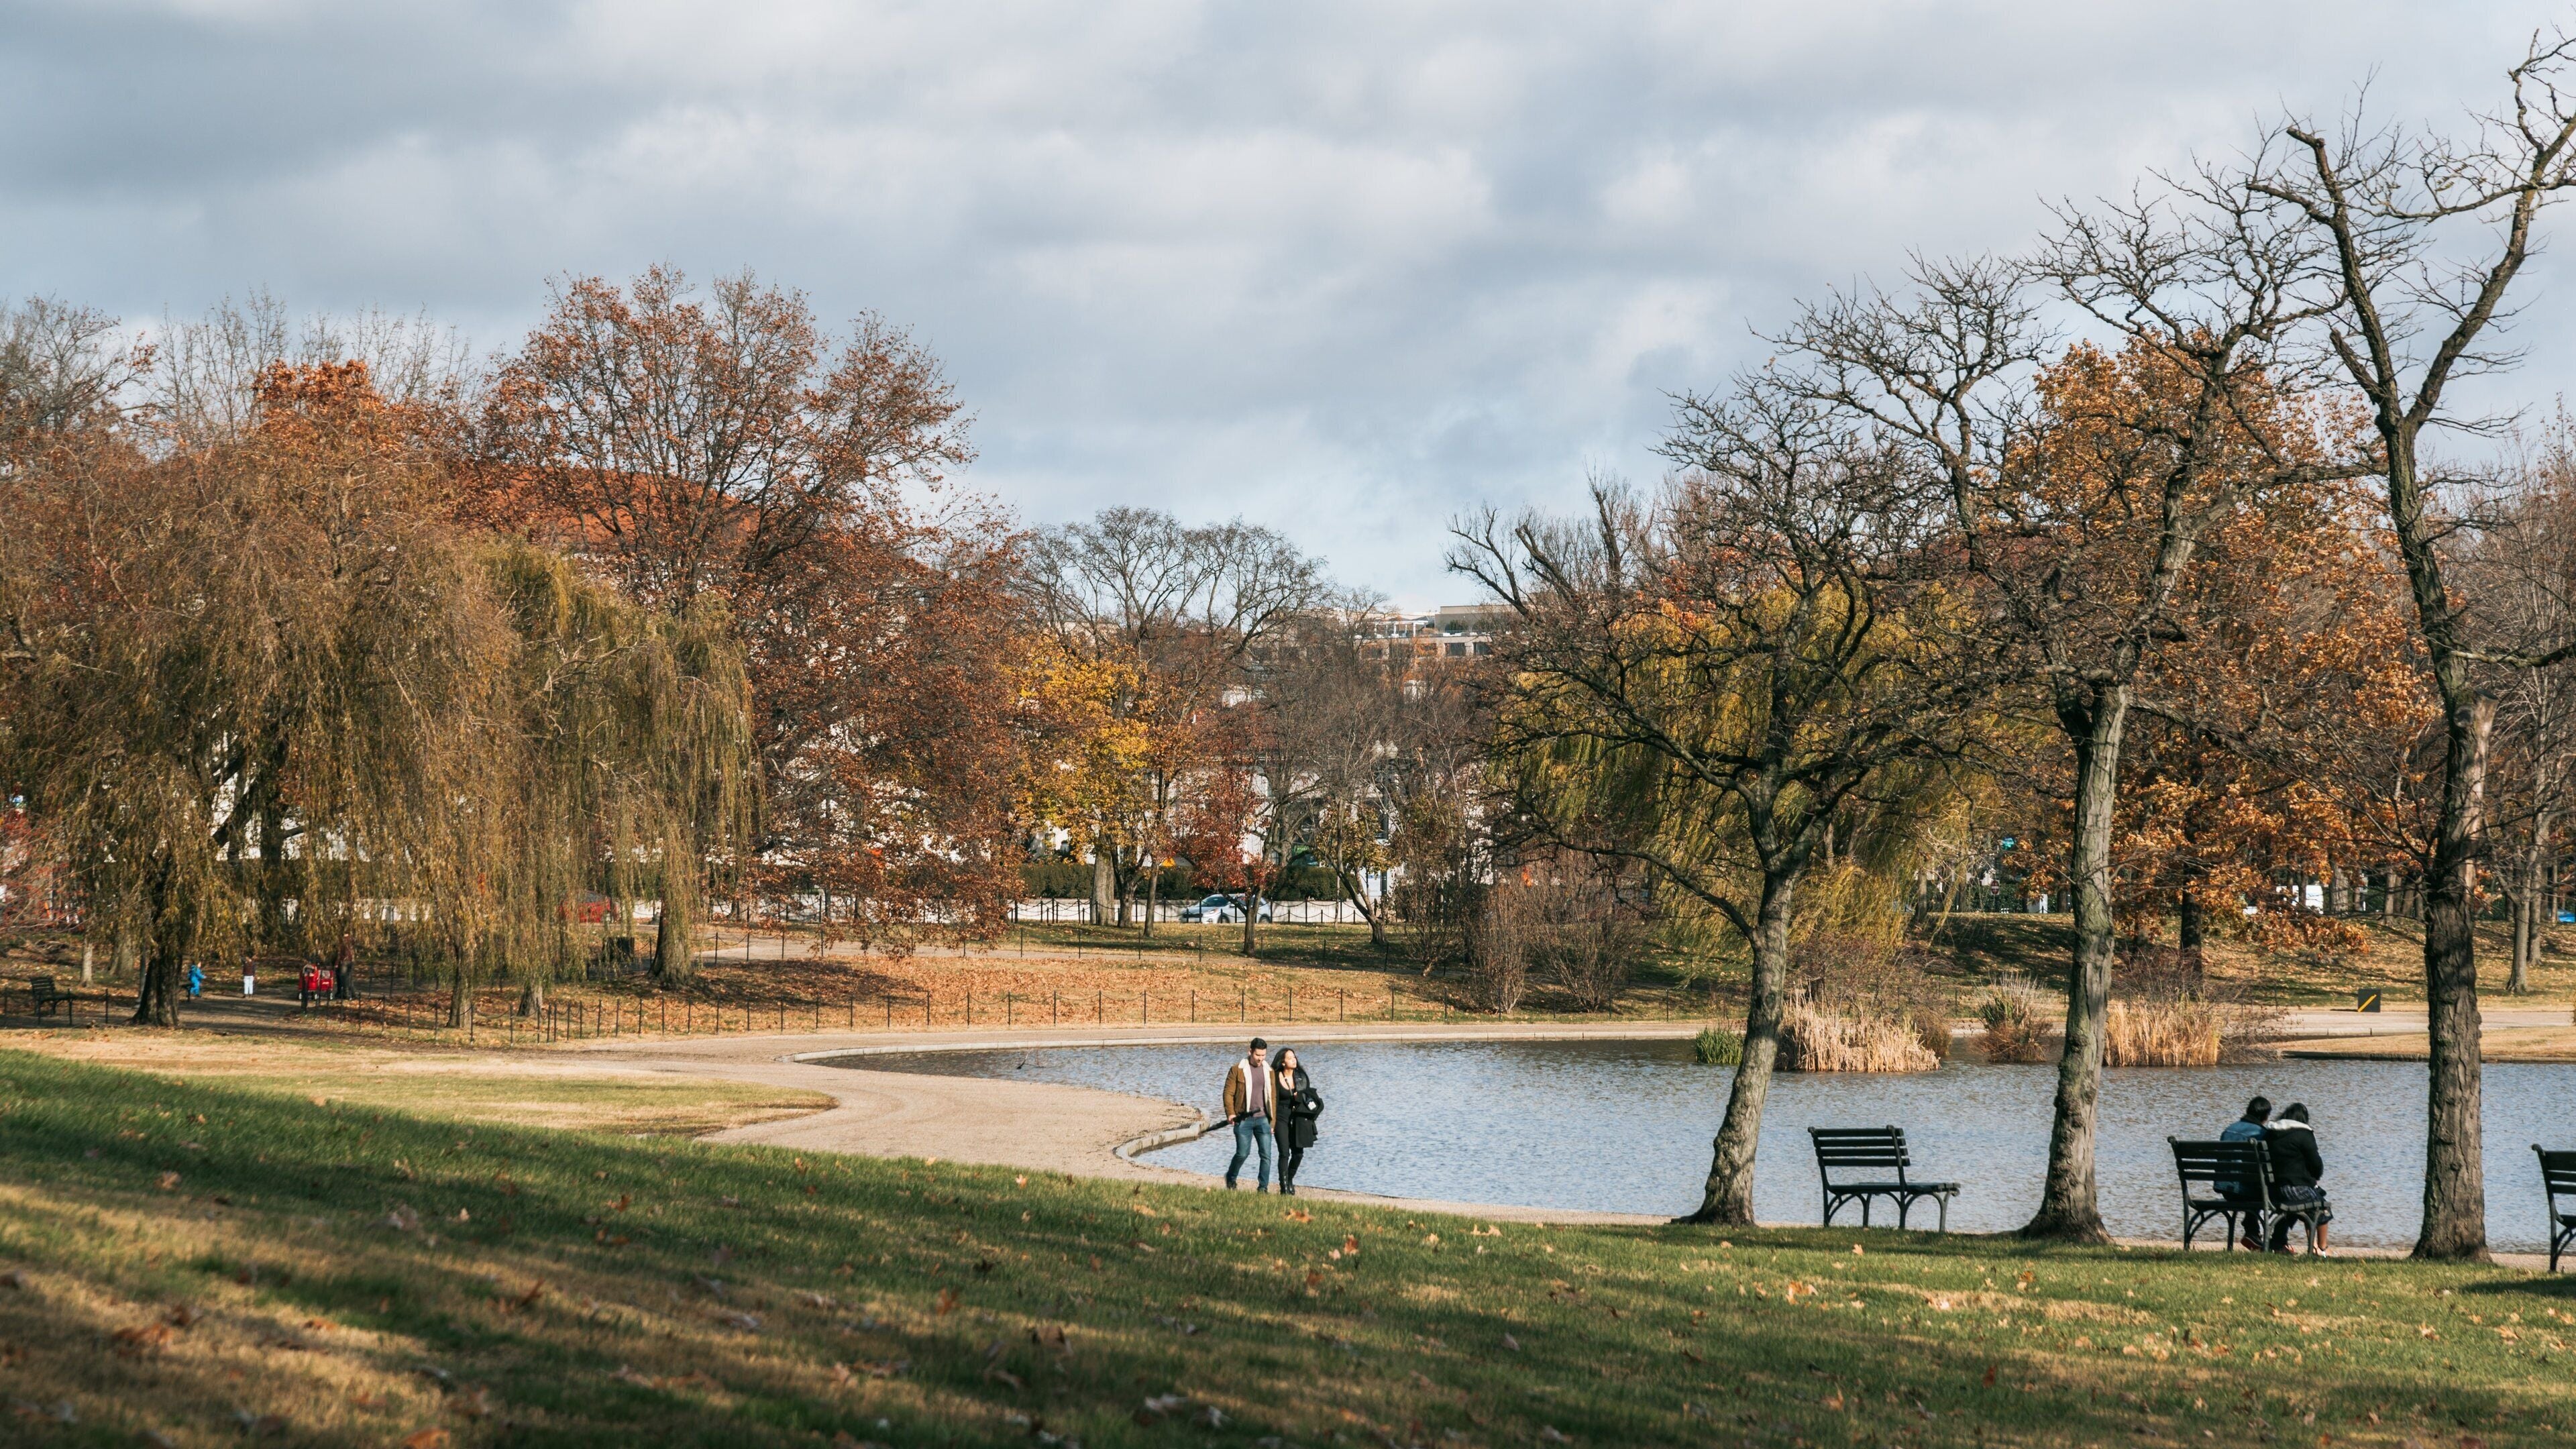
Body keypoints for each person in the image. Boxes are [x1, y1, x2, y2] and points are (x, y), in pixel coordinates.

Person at [2265, 1102, 2331, 1254]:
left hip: (2272, 1191)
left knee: (2298, 1205)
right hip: (2294, 1189)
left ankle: (2278, 1243)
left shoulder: (2270, 1133)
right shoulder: (2304, 1134)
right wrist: (2313, 1177)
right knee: (2322, 1206)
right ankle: (2322, 1250)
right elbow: (2316, 1166)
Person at [1222, 1038, 1275, 1191]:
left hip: (1264, 1119)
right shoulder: (1237, 1069)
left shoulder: (1269, 1071)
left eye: (1264, 1055)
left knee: (1266, 1156)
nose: (1261, 1059)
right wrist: (1231, 1113)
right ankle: (1231, 1178)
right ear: (1250, 1051)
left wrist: (1273, 1122)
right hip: (1243, 1119)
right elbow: (1228, 1093)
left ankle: (1263, 1188)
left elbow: (1273, 1098)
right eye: (1258, 1055)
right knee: (1242, 1153)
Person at [2219, 1095, 2271, 1250]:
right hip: (2248, 1192)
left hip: (2225, 1189)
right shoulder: (2262, 1133)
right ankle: (2258, 1234)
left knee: (2254, 1183)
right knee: (2262, 1185)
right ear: (2265, 1116)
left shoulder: (2228, 1130)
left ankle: (2252, 1232)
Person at [1273, 1047, 1324, 1195]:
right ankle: (1283, 1188)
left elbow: (1309, 1097)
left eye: (1294, 1057)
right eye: (1290, 1058)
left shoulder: (1302, 1077)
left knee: (1298, 1153)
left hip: (1298, 1116)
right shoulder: (1275, 1077)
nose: (1294, 1060)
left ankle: (1289, 1179)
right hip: (1281, 1116)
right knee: (1284, 1152)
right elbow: (1271, 1100)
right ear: (1283, 1062)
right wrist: (1271, 1121)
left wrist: (1300, 1096)